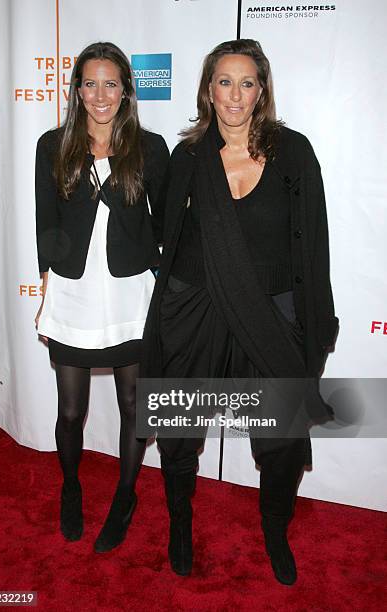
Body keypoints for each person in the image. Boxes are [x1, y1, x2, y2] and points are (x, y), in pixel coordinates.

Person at [142, 39, 338, 584]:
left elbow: (313, 245)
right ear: (209, 89)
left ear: (262, 91)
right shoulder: (188, 157)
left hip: (268, 313)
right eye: (224, 82)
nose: (235, 94)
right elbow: (168, 237)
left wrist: (313, 321)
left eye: (247, 82)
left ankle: (274, 527)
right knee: (180, 430)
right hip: (196, 307)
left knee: (279, 442)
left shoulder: (294, 152)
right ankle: (180, 522)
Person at [35, 42, 169, 550]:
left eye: (110, 83)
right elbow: (45, 223)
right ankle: (71, 488)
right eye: (89, 83)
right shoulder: (53, 145)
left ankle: (126, 494)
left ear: (126, 90)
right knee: (70, 411)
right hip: (72, 289)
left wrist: (166, 280)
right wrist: (46, 286)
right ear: (76, 90)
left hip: (130, 292)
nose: (100, 94)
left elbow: (165, 224)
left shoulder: (150, 147)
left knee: (135, 402)